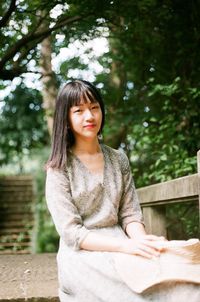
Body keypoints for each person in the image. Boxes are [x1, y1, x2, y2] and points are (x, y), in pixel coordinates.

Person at [45, 80, 200, 302]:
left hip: (123, 241)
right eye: (78, 111)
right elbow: (72, 234)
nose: (89, 116)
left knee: (174, 270)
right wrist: (127, 246)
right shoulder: (59, 168)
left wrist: (143, 242)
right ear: (66, 119)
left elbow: (130, 214)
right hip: (82, 255)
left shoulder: (118, 159)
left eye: (94, 107)